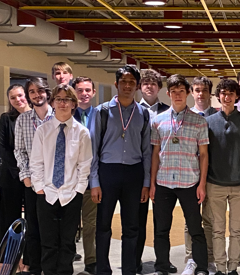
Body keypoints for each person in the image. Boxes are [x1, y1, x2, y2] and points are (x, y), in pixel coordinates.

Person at [90, 65, 152, 275]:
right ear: (116, 84)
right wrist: (95, 182)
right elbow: (93, 149)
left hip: (134, 173)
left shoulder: (144, 113)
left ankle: (129, 269)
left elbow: (146, 152)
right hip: (108, 172)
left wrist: (146, 183)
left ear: (137, 86)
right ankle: (103, 269)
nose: (127, 86)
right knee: (104, 224)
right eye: (123, 82)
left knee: (132, 226)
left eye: (132, 82)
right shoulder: (102, 112)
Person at [149, 74, 210, 275]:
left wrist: (202, 184)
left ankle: (201, 266)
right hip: (164, 181)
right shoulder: (158, 121)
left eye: (181, 91)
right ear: (168, 94)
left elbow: (203, 155)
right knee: (161, 229)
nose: (177, 95)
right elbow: (155, 154)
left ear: (188, 94)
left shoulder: (198, 122)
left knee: (195, 228)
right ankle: (162, 266)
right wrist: (152, 183)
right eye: (173, 92)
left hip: (189, 182)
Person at [30, 84, 93, 275]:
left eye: (67, 99)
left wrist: (79, 190)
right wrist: (39, 187)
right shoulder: (43, 130)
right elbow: (36, 163)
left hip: (71, 194)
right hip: (46, 193)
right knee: (48, 242)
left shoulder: (82, 132)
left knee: (67, 242)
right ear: (53, 102)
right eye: (59, 99)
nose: (63, 103)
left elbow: (84, 164)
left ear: (74, 104)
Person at [205, 78, 240, 275]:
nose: (227, 97)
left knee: (237, 231)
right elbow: (203, 154)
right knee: (218, 230)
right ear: (218, 96)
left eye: (231, 93)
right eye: (223, 93)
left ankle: (232, 268)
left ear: (237, 96)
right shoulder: (209, 122)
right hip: (215, 185)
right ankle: (220, 267)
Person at [136, 69, 176, 275]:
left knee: (162, 221)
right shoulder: (133, 110)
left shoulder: (168, 111)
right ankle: (135, 260)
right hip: (138, 168)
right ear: (140, 87)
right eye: (145, 83)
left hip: (163, 170)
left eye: (153, 83)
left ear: (160, 88)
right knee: (137, 219)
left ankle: (163, 261)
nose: (149, 86)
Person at [15, 77, 55, 275]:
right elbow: (19, 151)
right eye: (32, 91)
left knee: (53, 228)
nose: (36, 95)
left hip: (56, 183)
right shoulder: (23, 119)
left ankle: (51, 267)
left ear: (47, 92)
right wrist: (26, 176)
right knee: (34, 227)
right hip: (33, 183)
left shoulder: (58, 116)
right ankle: (35, 267)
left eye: (40, 90)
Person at [184, 75, 218, 275]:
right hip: (190, 176)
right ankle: (191, 259)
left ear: (210, 93)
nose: (200, 94)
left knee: (211, 220)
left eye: (204, 90)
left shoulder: (217, 115)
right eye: (197, 90)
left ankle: (210, 259)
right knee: (191, 221)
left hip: (212, 177)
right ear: (192, 92)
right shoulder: (186, 115)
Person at [0, 84, 31, 246]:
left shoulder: (38, 116)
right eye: (13, 97)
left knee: (33, 218)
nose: (17, 100)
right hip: (11, 176)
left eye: (20, 95)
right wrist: (20, 173)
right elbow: (4, 150)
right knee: (10, 218)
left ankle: (31, 256)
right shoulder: (6, 119)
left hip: (34, 177)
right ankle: (8, 255)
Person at [73, 76, 99, 274]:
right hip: (69, 181)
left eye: (87, 90)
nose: (84, 94)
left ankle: (91, 261)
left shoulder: (100, 115)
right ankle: (68, 257)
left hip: (92, 179)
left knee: (90, 223)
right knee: (69, 223)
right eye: (80, 90)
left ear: (93, 93)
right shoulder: (65, 115)